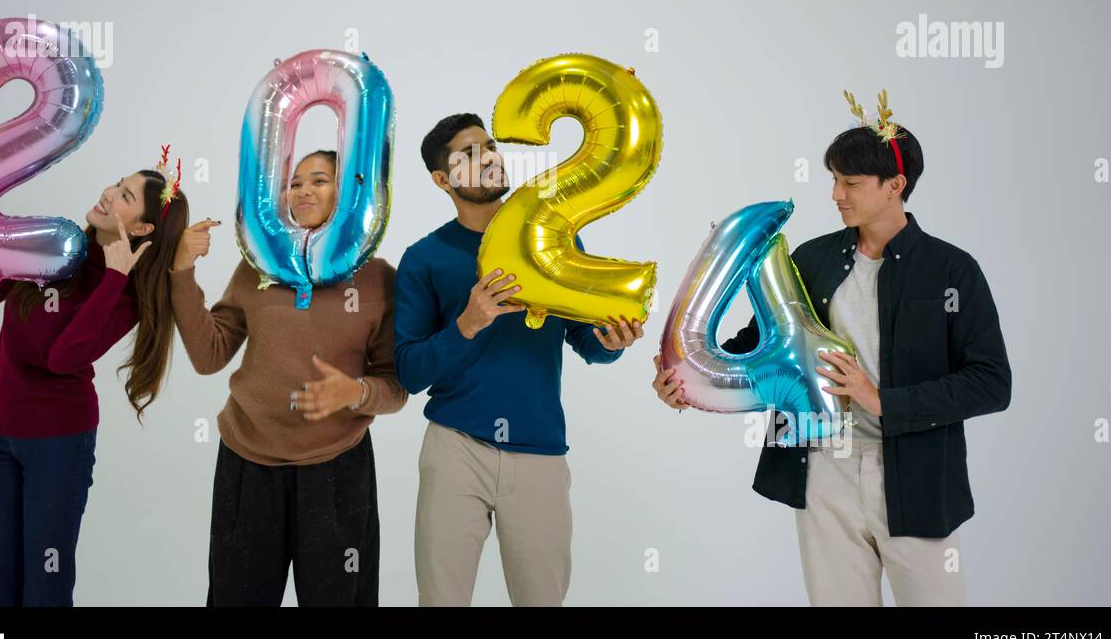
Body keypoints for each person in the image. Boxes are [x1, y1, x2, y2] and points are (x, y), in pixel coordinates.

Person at [653, 91, 1011, 606]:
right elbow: (757, 344)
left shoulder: (951, 270)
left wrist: (882, 398)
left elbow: (992, 383)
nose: (836, 194)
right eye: (834, 180)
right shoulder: (813, 257)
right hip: (822, 469)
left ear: (895, 186)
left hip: (916, 478)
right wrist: (688, 383)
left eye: (851, 183)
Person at [0, 149, 190, 606]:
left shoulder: (124, 296)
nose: (107, 192)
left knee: (44, 587)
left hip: (59, 446)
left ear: (141, 229)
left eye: (123, 195)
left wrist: (115, 277)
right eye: (115, 181)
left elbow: (64, 358)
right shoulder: (48, 244)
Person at [395, 113, 643, 606]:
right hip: (455, 449)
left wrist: (611, 343)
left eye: (488, 146)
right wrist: (467, 322)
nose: (487, 157)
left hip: (540, 451)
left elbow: (586, 339)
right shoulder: (424, 258)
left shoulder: (552, 239)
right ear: (442, 181)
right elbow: (409, 371)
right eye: (467, 154)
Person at [169, 149, 405, 606]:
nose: (302, 191)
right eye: (295, 183)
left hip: (337, 471)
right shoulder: (260, 266)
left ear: (349, 193)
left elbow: (396, 388)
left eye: (318, 180)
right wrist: (181, 271)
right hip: (248, 462)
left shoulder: (378, 280)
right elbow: (208, 355)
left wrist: (354, 392)